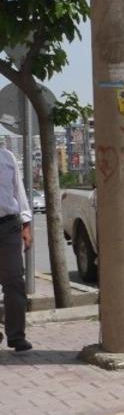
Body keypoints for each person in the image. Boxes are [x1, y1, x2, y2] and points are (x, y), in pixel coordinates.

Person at [0, 144, 33, 352]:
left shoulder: (7, 156)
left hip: (9, 225)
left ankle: (16, 336)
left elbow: (19, 191)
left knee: (14, 281)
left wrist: (26, 224)